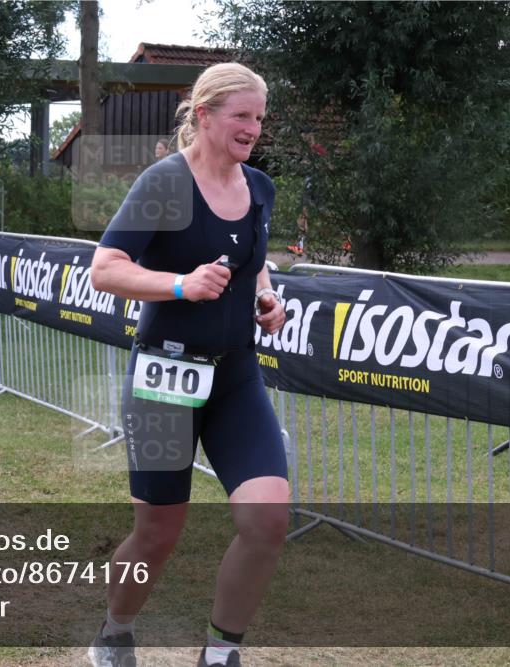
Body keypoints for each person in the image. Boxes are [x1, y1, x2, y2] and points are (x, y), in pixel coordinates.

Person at [90, 63, 288, 667]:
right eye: (241, 116)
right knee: (158, 534)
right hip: (164, 382)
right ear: (203, 115)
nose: (253, 128)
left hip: (234, 379)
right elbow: (105, 268)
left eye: (259, 117)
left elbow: (254, 261)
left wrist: (266, 295)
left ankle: (221, 651)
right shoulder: (163, 184)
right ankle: (115, 631)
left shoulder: (259, 187)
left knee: (268, 522)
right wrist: (179, 284)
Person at [286, 128, 329, 256]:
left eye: (305, 136)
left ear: (311, 135)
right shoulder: (307, 151)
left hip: (315, 185)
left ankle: (305, 246)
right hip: (311, 183)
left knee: (309, 214)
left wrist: (310, 164)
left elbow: (325, 165)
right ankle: (301, 245)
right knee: (304, 214)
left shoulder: (317, 149)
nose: (303, 139)